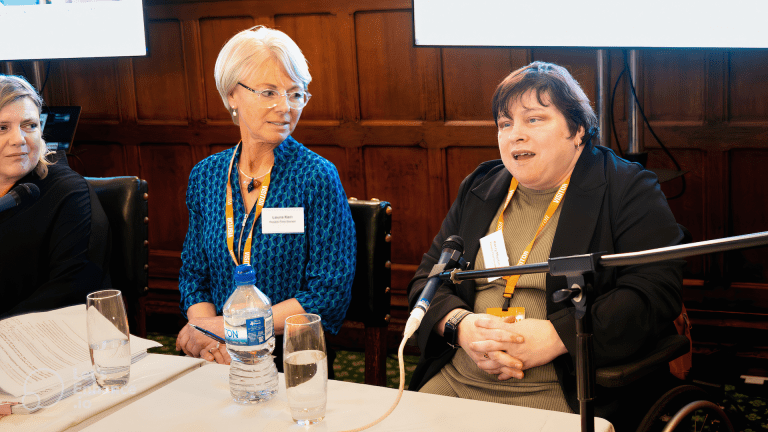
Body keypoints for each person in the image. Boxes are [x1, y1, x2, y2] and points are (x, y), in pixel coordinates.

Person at [407, 61, 684, 429]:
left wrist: (559, 337)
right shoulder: (481, 187)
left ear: (578, 129)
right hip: (458, 381)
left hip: (562, 392)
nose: (514, 135)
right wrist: (460, 325)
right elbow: (426, 280)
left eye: (533, 119)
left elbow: (654, 292)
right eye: (505, 124)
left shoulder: (627, 188)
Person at [175, 26, 356, 371]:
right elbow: (193, 275)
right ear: (232, 95)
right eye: (269, 92)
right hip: (214, 358)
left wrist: (226, 329)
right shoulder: (206, 176)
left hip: (290, 360)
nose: (285, 107)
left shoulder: (316, 176)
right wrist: (209, 337)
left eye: (295, 93)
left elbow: (327, 294)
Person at [0, 75, 110, 319]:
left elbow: (72, 288)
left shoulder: (68, 192)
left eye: (30, 125)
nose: (19, 140)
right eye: (2, 128)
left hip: (39, 337)